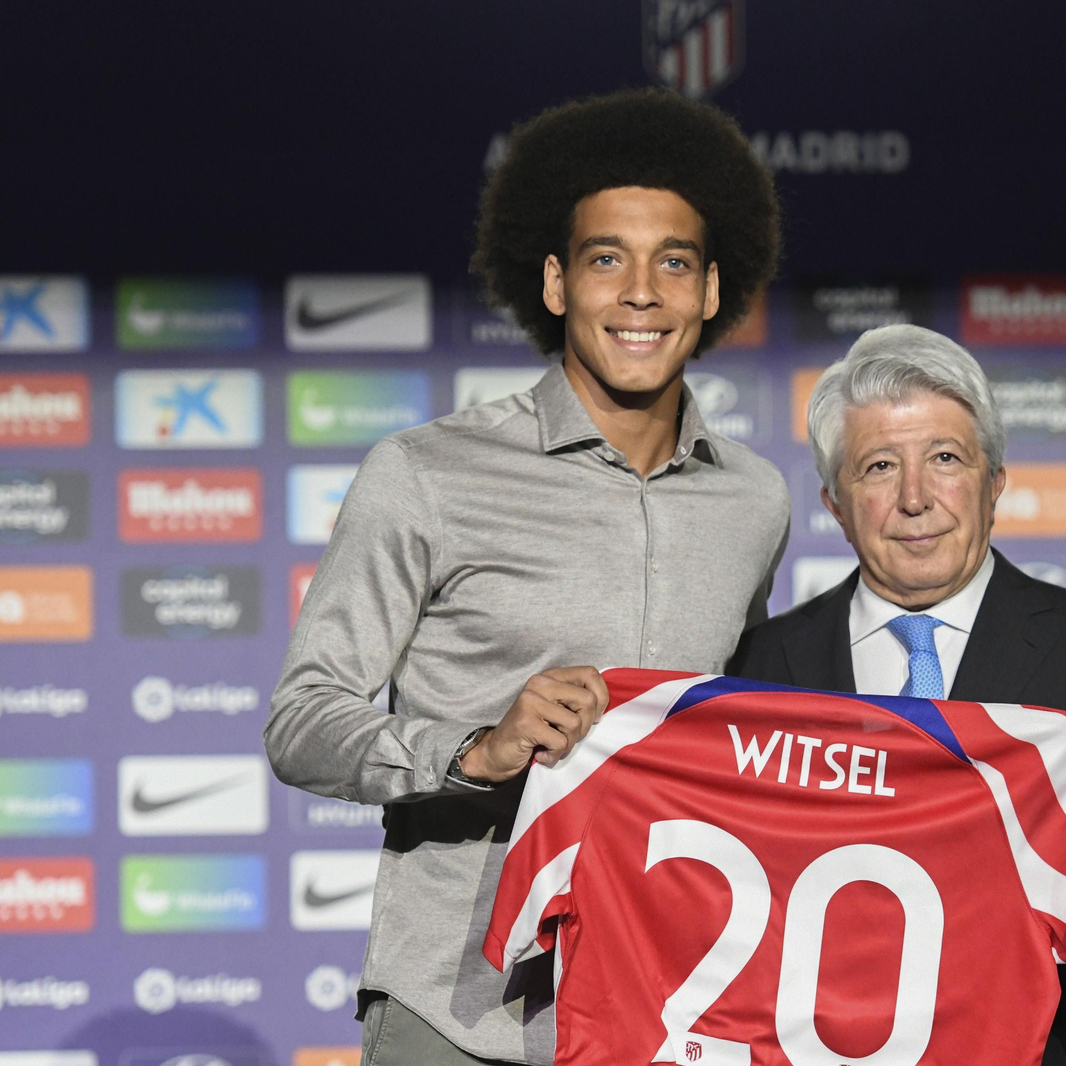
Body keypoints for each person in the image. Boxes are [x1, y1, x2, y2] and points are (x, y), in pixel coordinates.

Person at [266, 88, 789, 1065]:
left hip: (672, 1006)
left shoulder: (753, 500)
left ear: (713, 290)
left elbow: (737, 733)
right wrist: (478, 749)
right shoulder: (425, 472)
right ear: (553, 283)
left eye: (673, 262)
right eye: (606, 259)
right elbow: (302, 722)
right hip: (458, 1010)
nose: (641, 291)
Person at [727, 323, 1066, 1066]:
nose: (915, 499)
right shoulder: (757, 668)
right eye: (879, 466)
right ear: (836, 503)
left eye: (945, 459)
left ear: (994, 482)